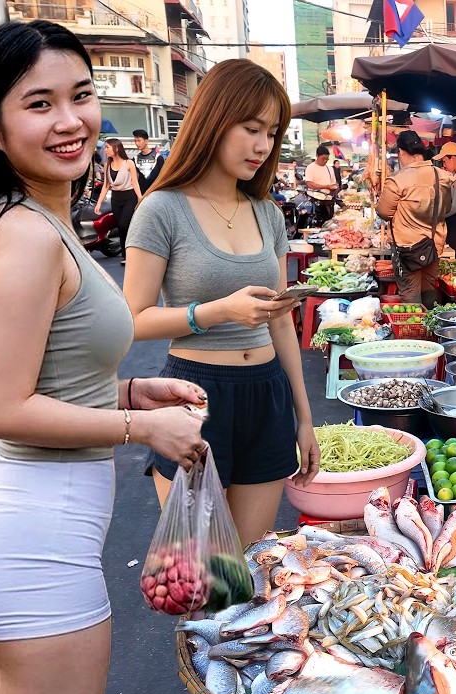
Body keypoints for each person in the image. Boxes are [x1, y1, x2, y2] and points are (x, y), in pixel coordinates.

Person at [0, 20, 204, 694]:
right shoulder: (29, 234)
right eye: (39, 103)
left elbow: (35, 369)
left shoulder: (27, 219)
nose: (70, 121)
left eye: (81, 95)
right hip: (36, 544)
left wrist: (129, 388)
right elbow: (1, 406)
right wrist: (141, 425)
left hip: (11, 528)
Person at [124, 58, 321, 545]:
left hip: (267, 392)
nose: (262, 146)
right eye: (251, 128)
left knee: (249, 567)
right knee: (199, 576)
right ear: (214, 120)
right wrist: (216, 312)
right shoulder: (161, 209)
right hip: (195, 396)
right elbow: (130, 320)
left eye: (272, 133)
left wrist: (304, 418)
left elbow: (280, 325)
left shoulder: (267, 214)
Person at [377, 130, 451, 308]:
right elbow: (446, 208)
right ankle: (432, 332)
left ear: (401, 152)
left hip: (408, 249)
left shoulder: (397, 180)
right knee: (429, 290)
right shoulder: (442, 176)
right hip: (434, 244)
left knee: (410, 294)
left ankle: (416, 333)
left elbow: (384, 212)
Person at [94, 138, 141, 263]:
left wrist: (140, 198)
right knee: (120, 228)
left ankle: (134, 251)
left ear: (116, 148)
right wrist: (98, 203)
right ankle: (126, 256)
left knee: (124, 224)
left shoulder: (129, 163)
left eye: (107, 147)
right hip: (116, 198)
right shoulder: (107, 165)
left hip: (129, 197)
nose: (105, 150)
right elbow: (105, 186)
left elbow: (135, 183)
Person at [303, 144, 338, 224]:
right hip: (315, 201)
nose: (325, 161)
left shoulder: (330, 169)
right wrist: (326, 186)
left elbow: (333, 183)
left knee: (329, 222)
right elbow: (310, 184)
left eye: (327, 159)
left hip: (328, 200)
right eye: (323, 159)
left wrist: (335, 188)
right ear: (317, 156)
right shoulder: (310, 168)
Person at [131, 129, 164, 194]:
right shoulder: (135, 159)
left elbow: (163, 175)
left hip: (156, 192)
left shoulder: (158, 157)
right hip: (141, 193)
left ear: (146, 141)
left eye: (139, 141)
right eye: (135, 141)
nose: (137, 143)